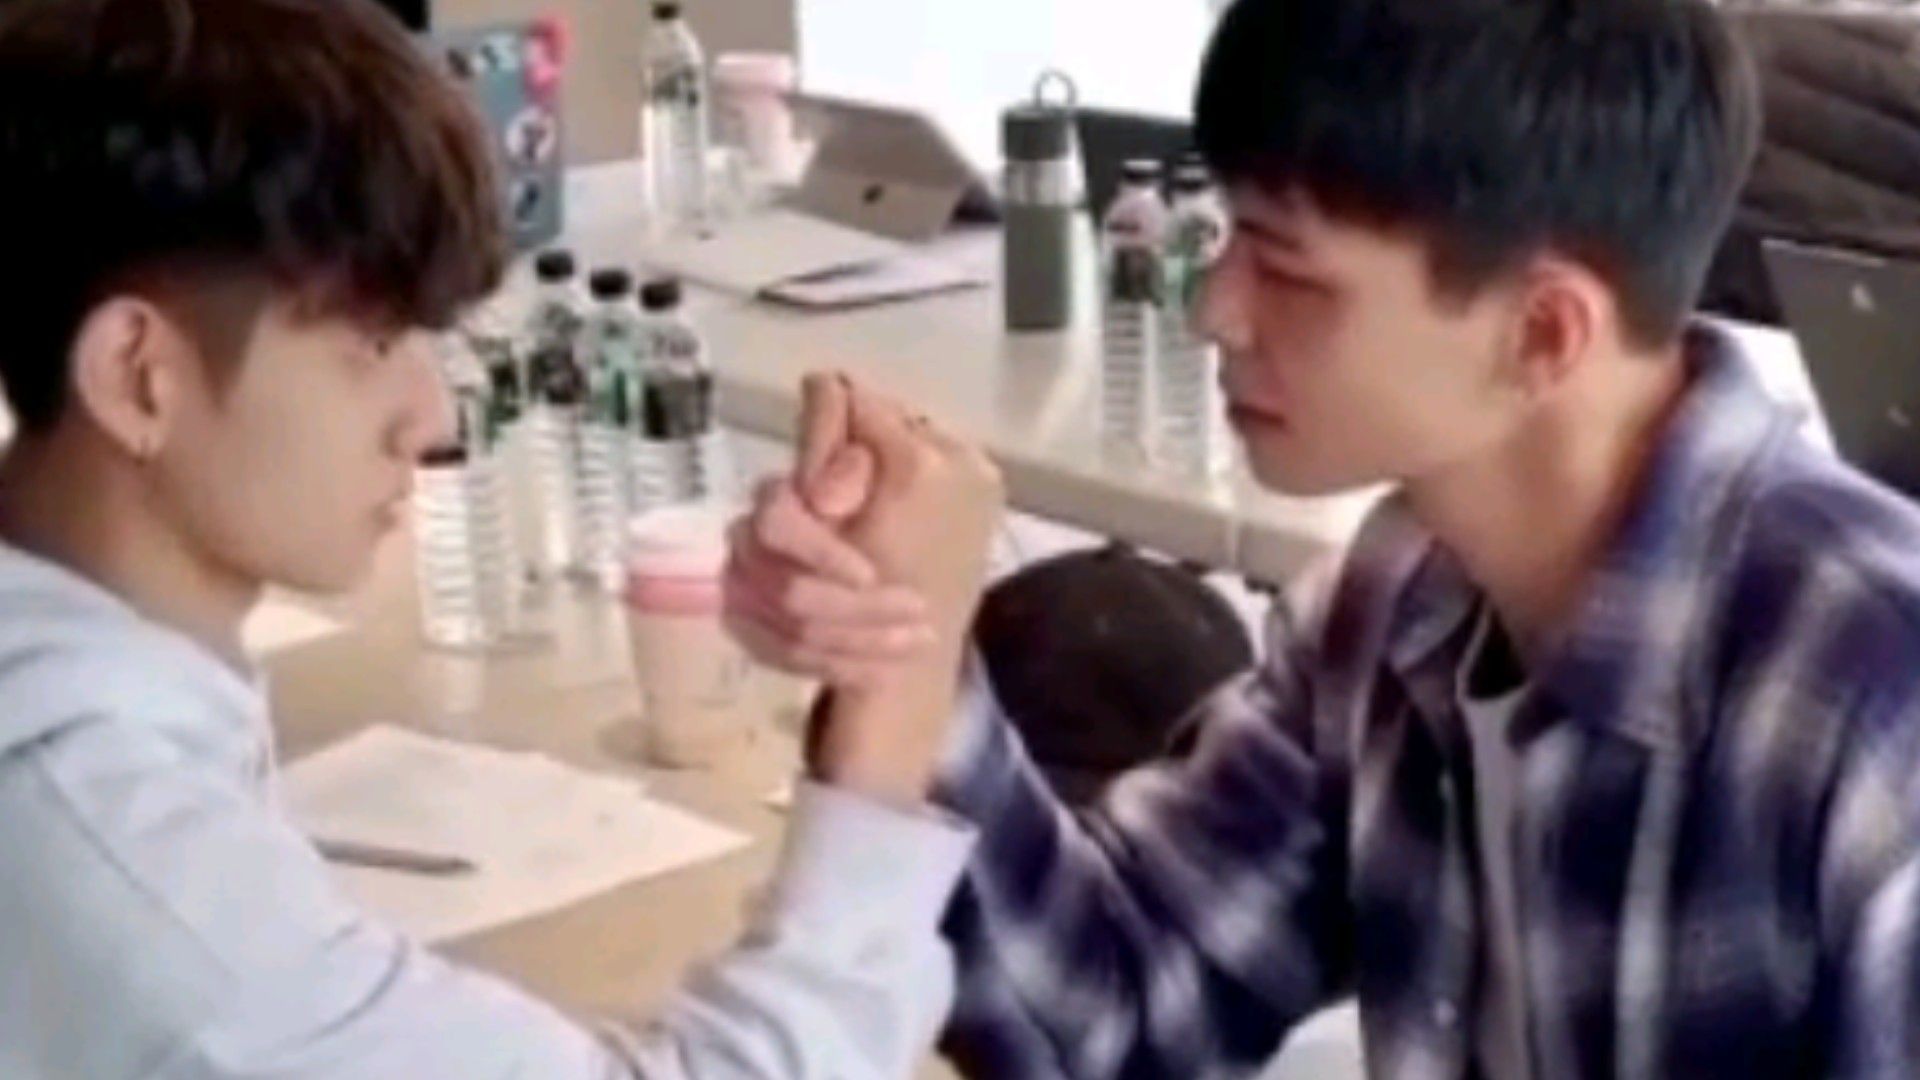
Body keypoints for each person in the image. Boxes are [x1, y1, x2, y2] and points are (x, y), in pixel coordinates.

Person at [727, 0, 1920, 1075]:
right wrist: (905, 645)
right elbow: (1116, 1010)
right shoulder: (1393, 601)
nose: (1214, 309)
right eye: (1227, 236)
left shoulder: (1874, 700)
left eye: (1288, 269)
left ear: (1544, 334)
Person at [0, 0, 973, 1076]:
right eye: (372, 344)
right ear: (139, 376)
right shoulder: (131, 873)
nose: (434, 419)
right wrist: (903, 685)